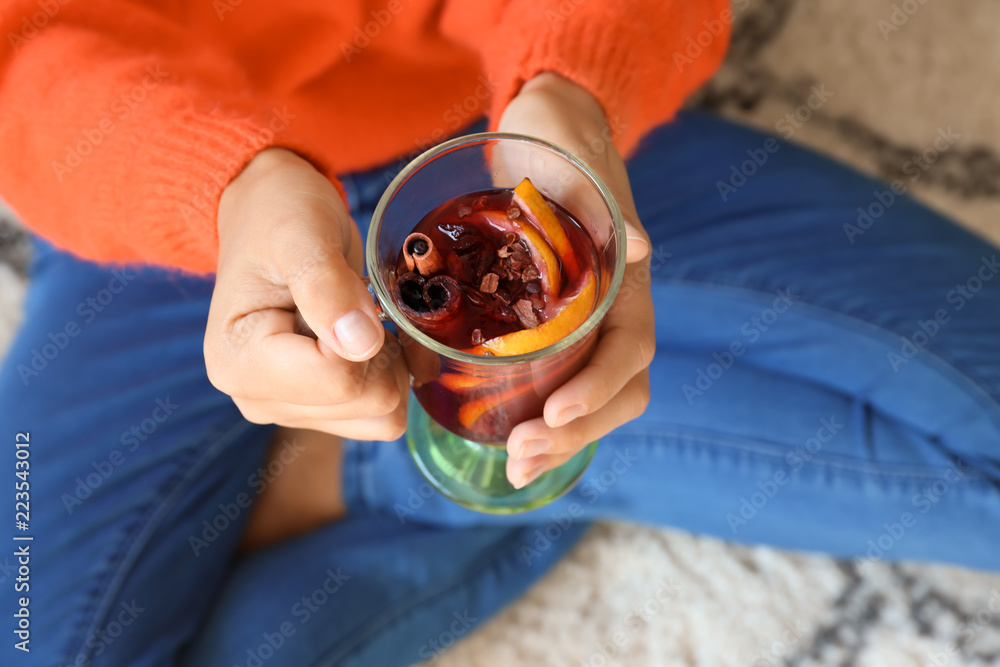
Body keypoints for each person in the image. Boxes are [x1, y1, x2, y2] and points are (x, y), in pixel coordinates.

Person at [0, 1, 997, 664]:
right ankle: (499, 446)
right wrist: (218, 181)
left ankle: (378, 462)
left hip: (520, 133)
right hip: (154, 186)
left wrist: (574, 82)